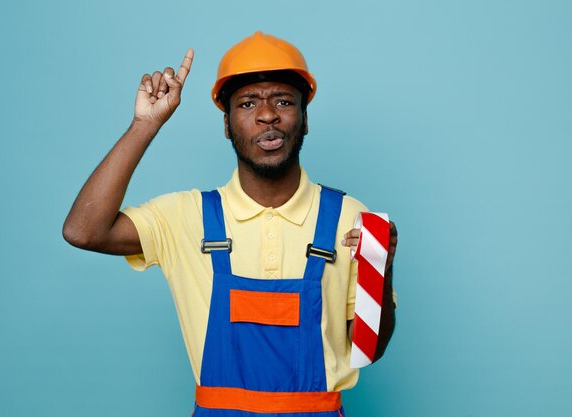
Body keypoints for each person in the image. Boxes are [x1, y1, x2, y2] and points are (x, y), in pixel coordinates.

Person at [63, 31, 398, 417]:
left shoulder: (349, 217)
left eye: (284, 101)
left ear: (304, 120)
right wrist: (144, 125)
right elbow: (83, 231)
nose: (267, 114)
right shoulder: (185, 217)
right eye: (248, 103)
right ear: (227, 124)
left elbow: (369, 350)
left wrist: (381, 269)